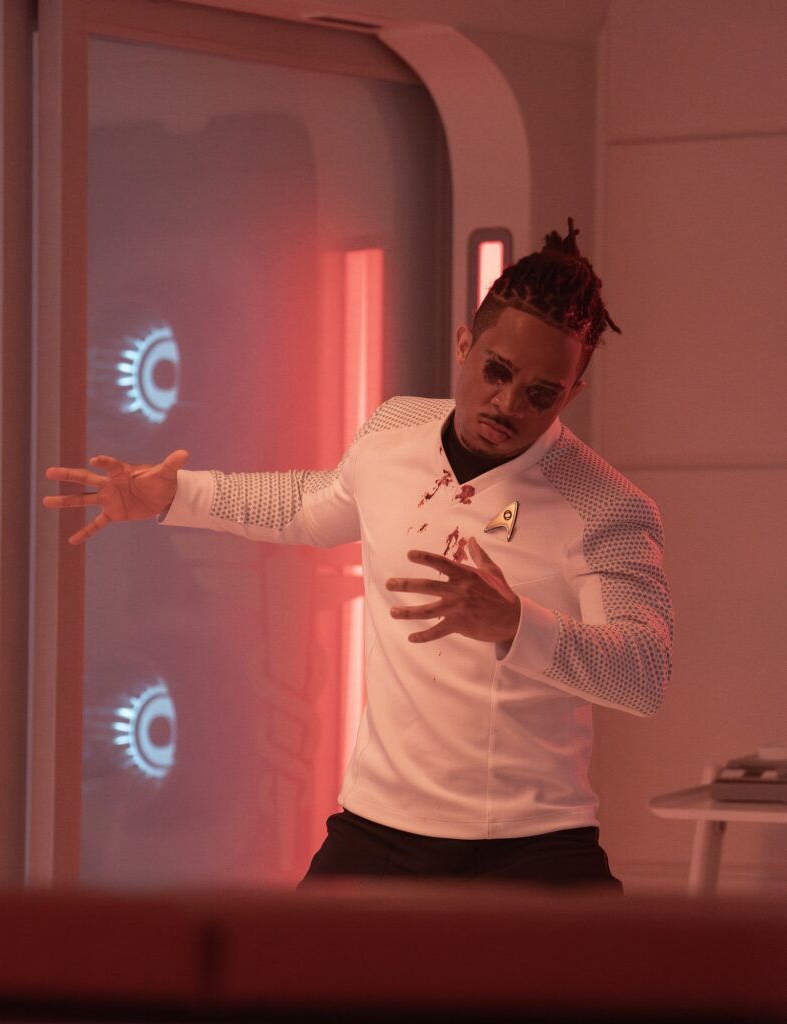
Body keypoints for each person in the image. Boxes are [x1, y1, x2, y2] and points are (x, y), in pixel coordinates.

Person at [44, 219, 673, 890]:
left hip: (533, 844)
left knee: (618, 965)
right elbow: (308, 505)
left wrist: (516, 623)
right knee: (281, 963)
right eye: (497, 371)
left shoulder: (605, 506)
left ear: (571, 393)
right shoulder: (395, 428)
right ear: (465, 344)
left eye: (541, 393)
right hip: (381, 828)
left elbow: (644, 674)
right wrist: (176, 495)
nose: (508, 403)